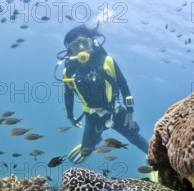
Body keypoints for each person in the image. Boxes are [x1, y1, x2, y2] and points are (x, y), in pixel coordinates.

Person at [60, 25, 150, 163]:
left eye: (85, 42)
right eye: (75, 45)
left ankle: (155, 159)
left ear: (92, 43)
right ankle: (94, 140)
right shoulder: (68, 72)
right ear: (70, 49)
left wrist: (130, 111)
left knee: (135, 138)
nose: (81, 48)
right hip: (91, 116)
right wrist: (70, 116)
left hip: (116, 111)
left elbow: (123, 85)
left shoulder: (107, 61)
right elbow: (68, 95)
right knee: (86, 151)